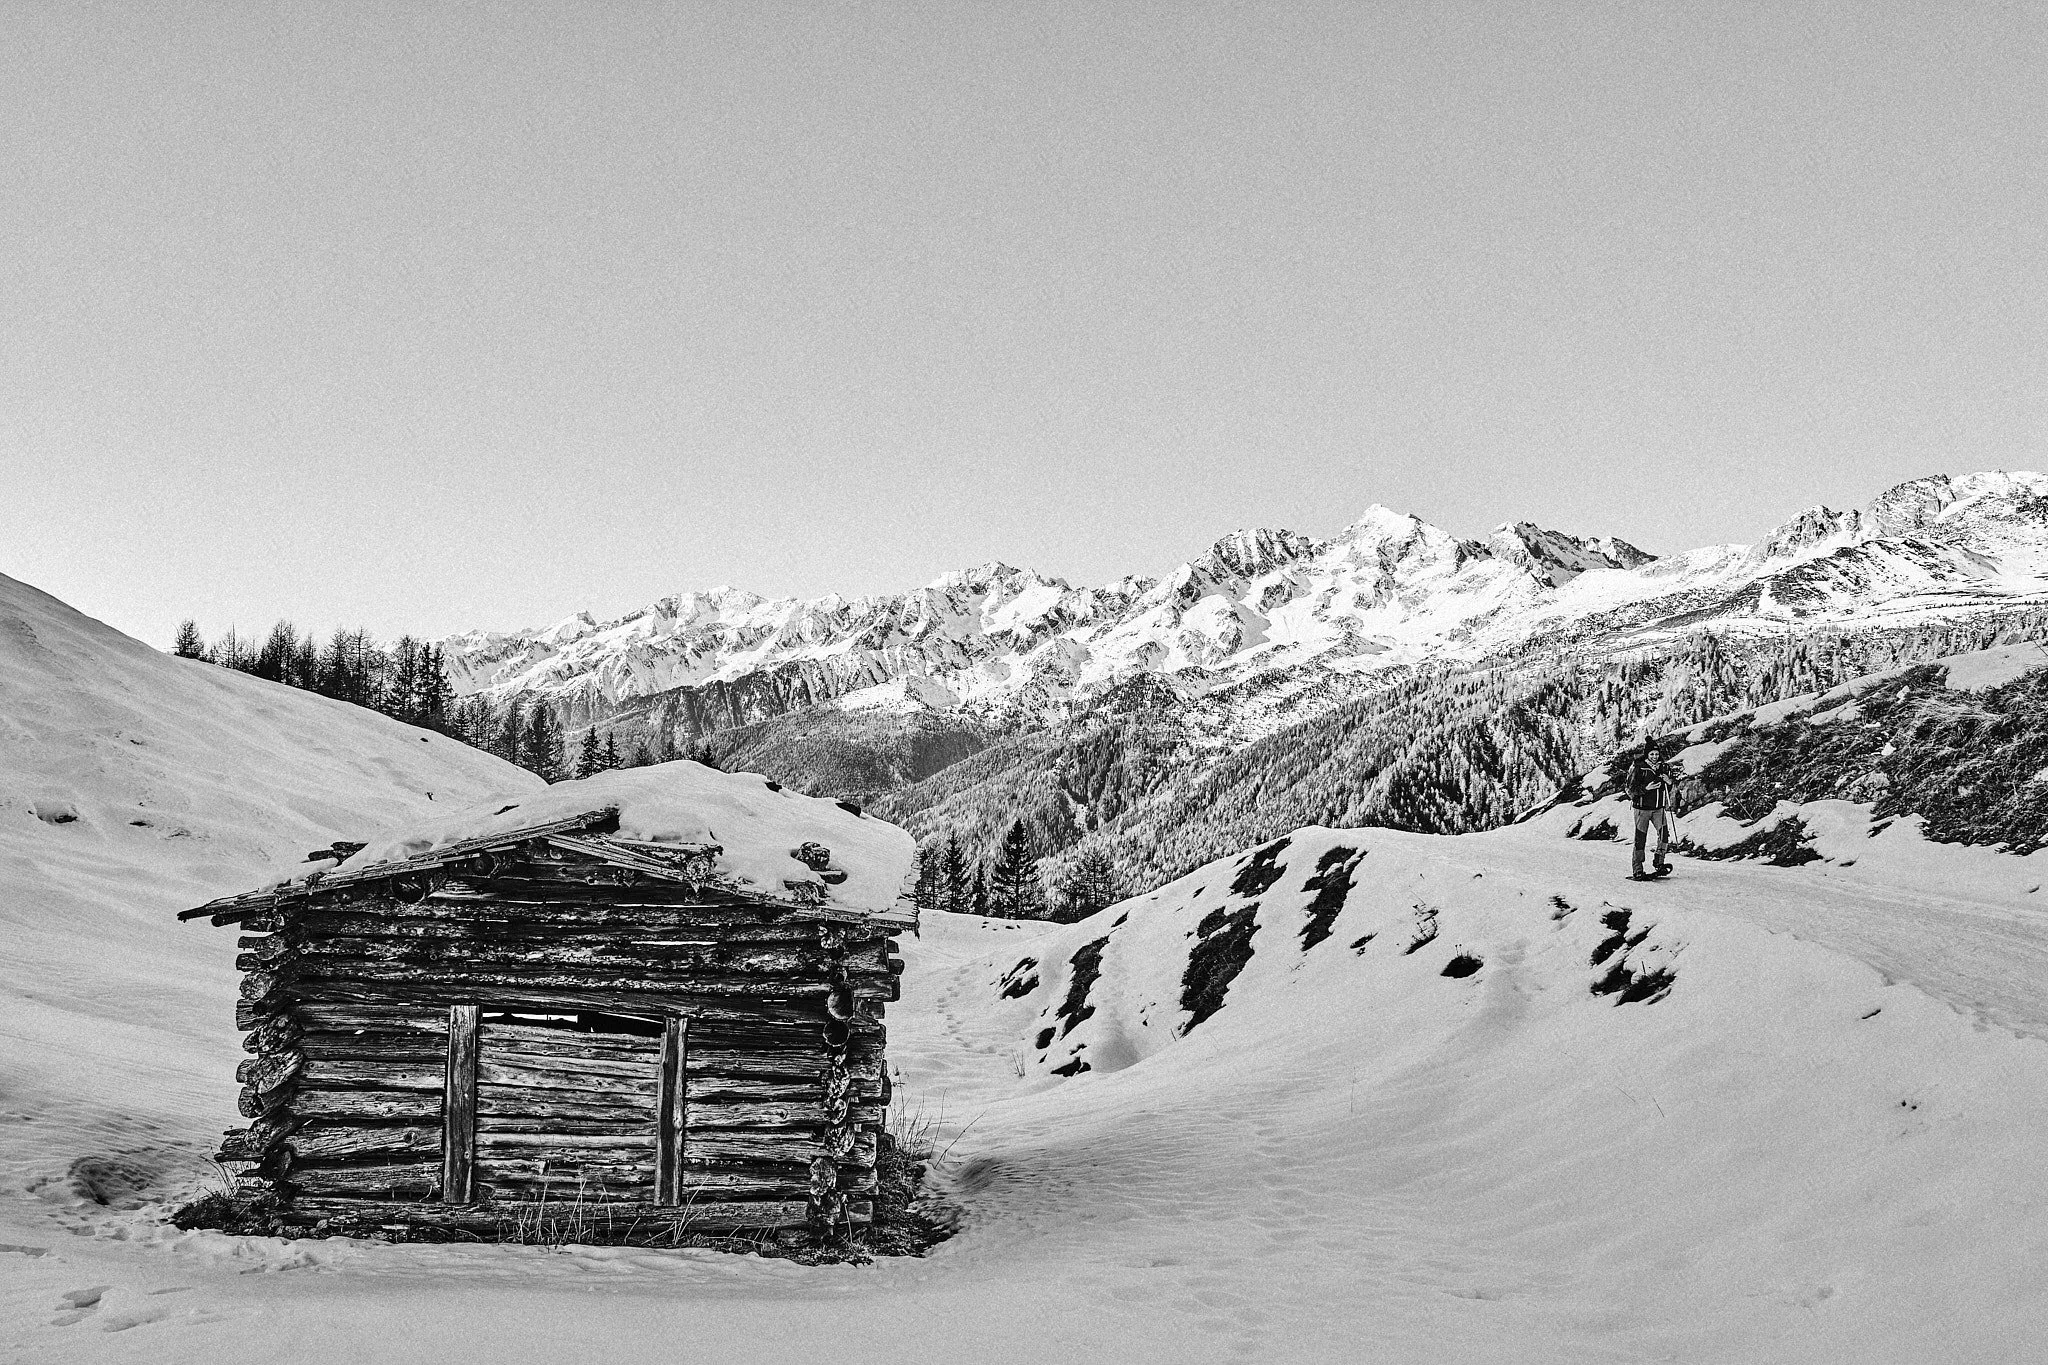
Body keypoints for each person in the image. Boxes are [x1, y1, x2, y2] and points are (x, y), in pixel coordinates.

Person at [1625, 740, 1675, 880]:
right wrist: (1645, 789)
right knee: (1640, 839)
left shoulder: (1664, 767)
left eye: (1656, 754)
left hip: (1658, 808)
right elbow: (1629, 789)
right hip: (1642, 809)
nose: (1654, 756)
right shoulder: (1638, 767)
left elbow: (1668, 787)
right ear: (1647, 754)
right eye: (1652, 754)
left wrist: (1669, 781)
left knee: (1664, 835)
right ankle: (1638, 870)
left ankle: (1659, 862)